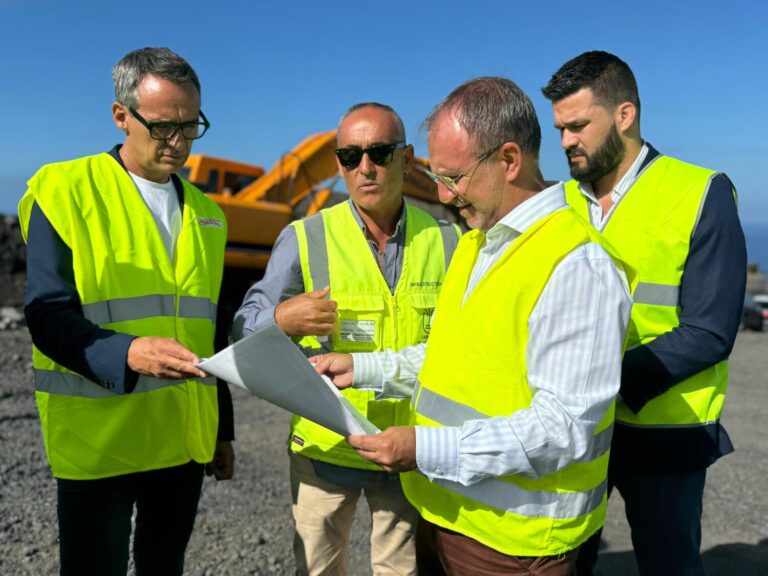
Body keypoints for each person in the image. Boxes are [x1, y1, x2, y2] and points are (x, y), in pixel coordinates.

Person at [311, 77, 635, 576]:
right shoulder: (475, 244)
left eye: (453, 177)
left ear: (509, 160)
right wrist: (364, 367)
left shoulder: (576, 264)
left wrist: (424, 448)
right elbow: (447, 357)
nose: (441, 193)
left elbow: (565, 429)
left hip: (515, 544)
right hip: (444, 513)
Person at [18, 47, 235, 576]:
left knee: (165, 567)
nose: (179, 142)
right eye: (163, 127)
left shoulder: (208, 213)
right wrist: (130, 352)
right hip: (102, 443)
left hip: (182, 441)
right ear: (121, 115)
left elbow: (210, 330)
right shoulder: (64, 189)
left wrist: (221, 429)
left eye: (190, 126)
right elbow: (47, 315)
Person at [541, 51, 747, 576]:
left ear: (625, 115)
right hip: (574, 431)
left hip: (665, 434)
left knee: (669, 567)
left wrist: (603, 381)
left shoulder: (700, 192)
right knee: (564, 564)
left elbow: (709, 331)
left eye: (578, 126)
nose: (566, 141)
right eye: (560, 128)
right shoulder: (556, 202)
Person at [233, 102, 460, 576]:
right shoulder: (304, 236)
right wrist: (280, 316)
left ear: (407, 157)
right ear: (338, 162)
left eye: (379, 152)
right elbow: (244, 326)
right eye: (350, 156)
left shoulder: (447, 240)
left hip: (407, 449)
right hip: (325, 450)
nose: (365, 167)